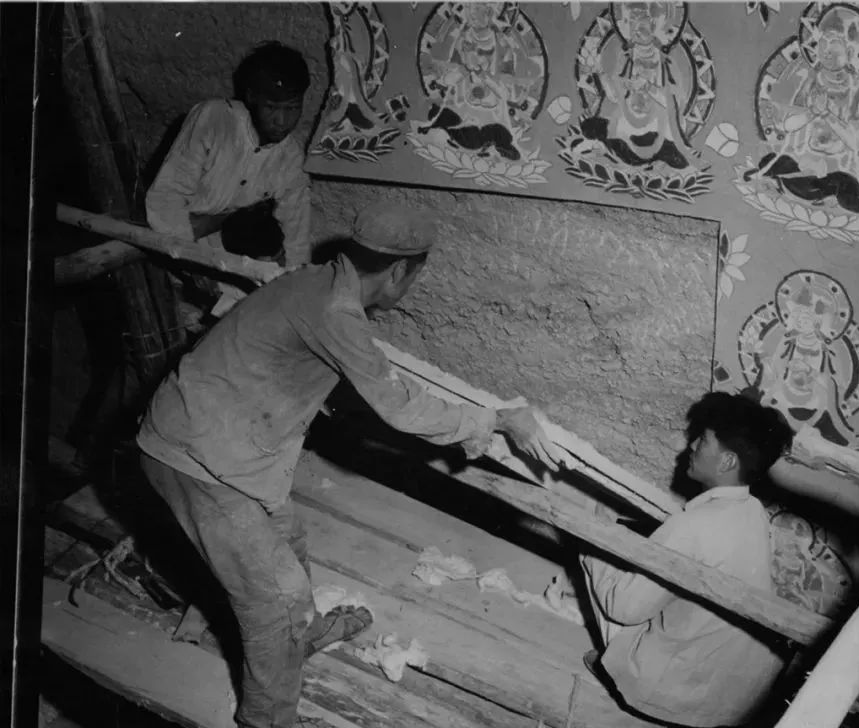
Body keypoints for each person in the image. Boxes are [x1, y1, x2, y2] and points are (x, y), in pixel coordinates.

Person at [136, 202, 561, 728]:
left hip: (226, 443)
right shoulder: (334, 311)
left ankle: (297, 638)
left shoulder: (314, 282)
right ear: (400, 271)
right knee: (275, 598)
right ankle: (267, 719)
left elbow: (337, 371)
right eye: (414, 277)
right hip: (194, 456)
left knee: (289, 542)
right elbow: (401, 409)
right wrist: (496, 420)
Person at [580, 392, 794, 727]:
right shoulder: (754, 511)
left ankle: (619, 674)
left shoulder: (690, 526)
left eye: (703, 440)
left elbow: (623, 608)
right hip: (733, 700)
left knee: (590, 539)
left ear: (727, 462)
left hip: (675, 694)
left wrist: (600, 532)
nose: (692, 445)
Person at [145, 41, 313, 268]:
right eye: (271, 108)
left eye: (292, 108)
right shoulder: (214, 120)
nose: (281, 121)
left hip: (235, 261)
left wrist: (294, 280)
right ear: (252, 97)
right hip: (181, 252)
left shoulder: (291, 158)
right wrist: (208, 239)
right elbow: (165, 202)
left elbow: (297, 241)